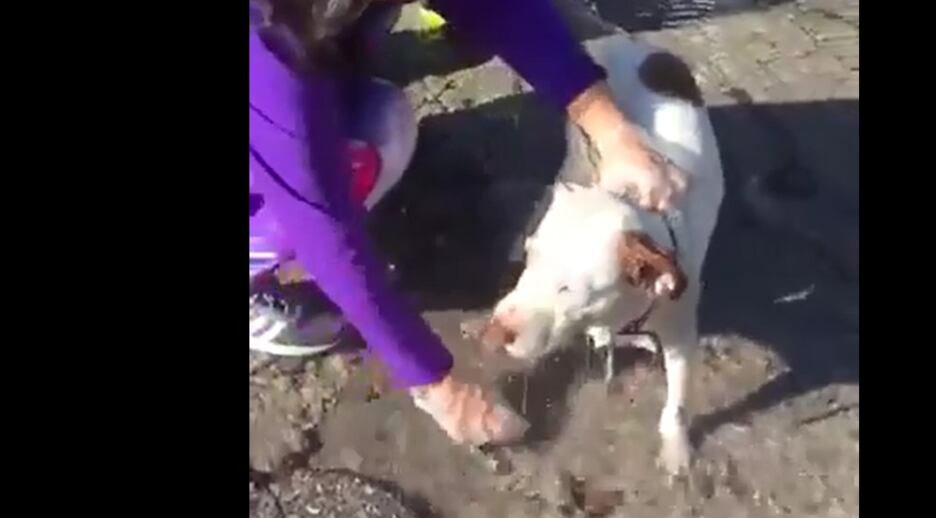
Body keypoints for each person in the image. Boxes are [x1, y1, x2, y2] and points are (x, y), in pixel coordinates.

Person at [249, 0, 689, 445]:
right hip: (269, 68)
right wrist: (435, 383)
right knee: (365, 150)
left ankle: (333, 86)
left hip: (290, 62)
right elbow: (322, 227)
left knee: (379, 119)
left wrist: (609, 127)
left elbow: (500, 8)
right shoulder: (268, 50)